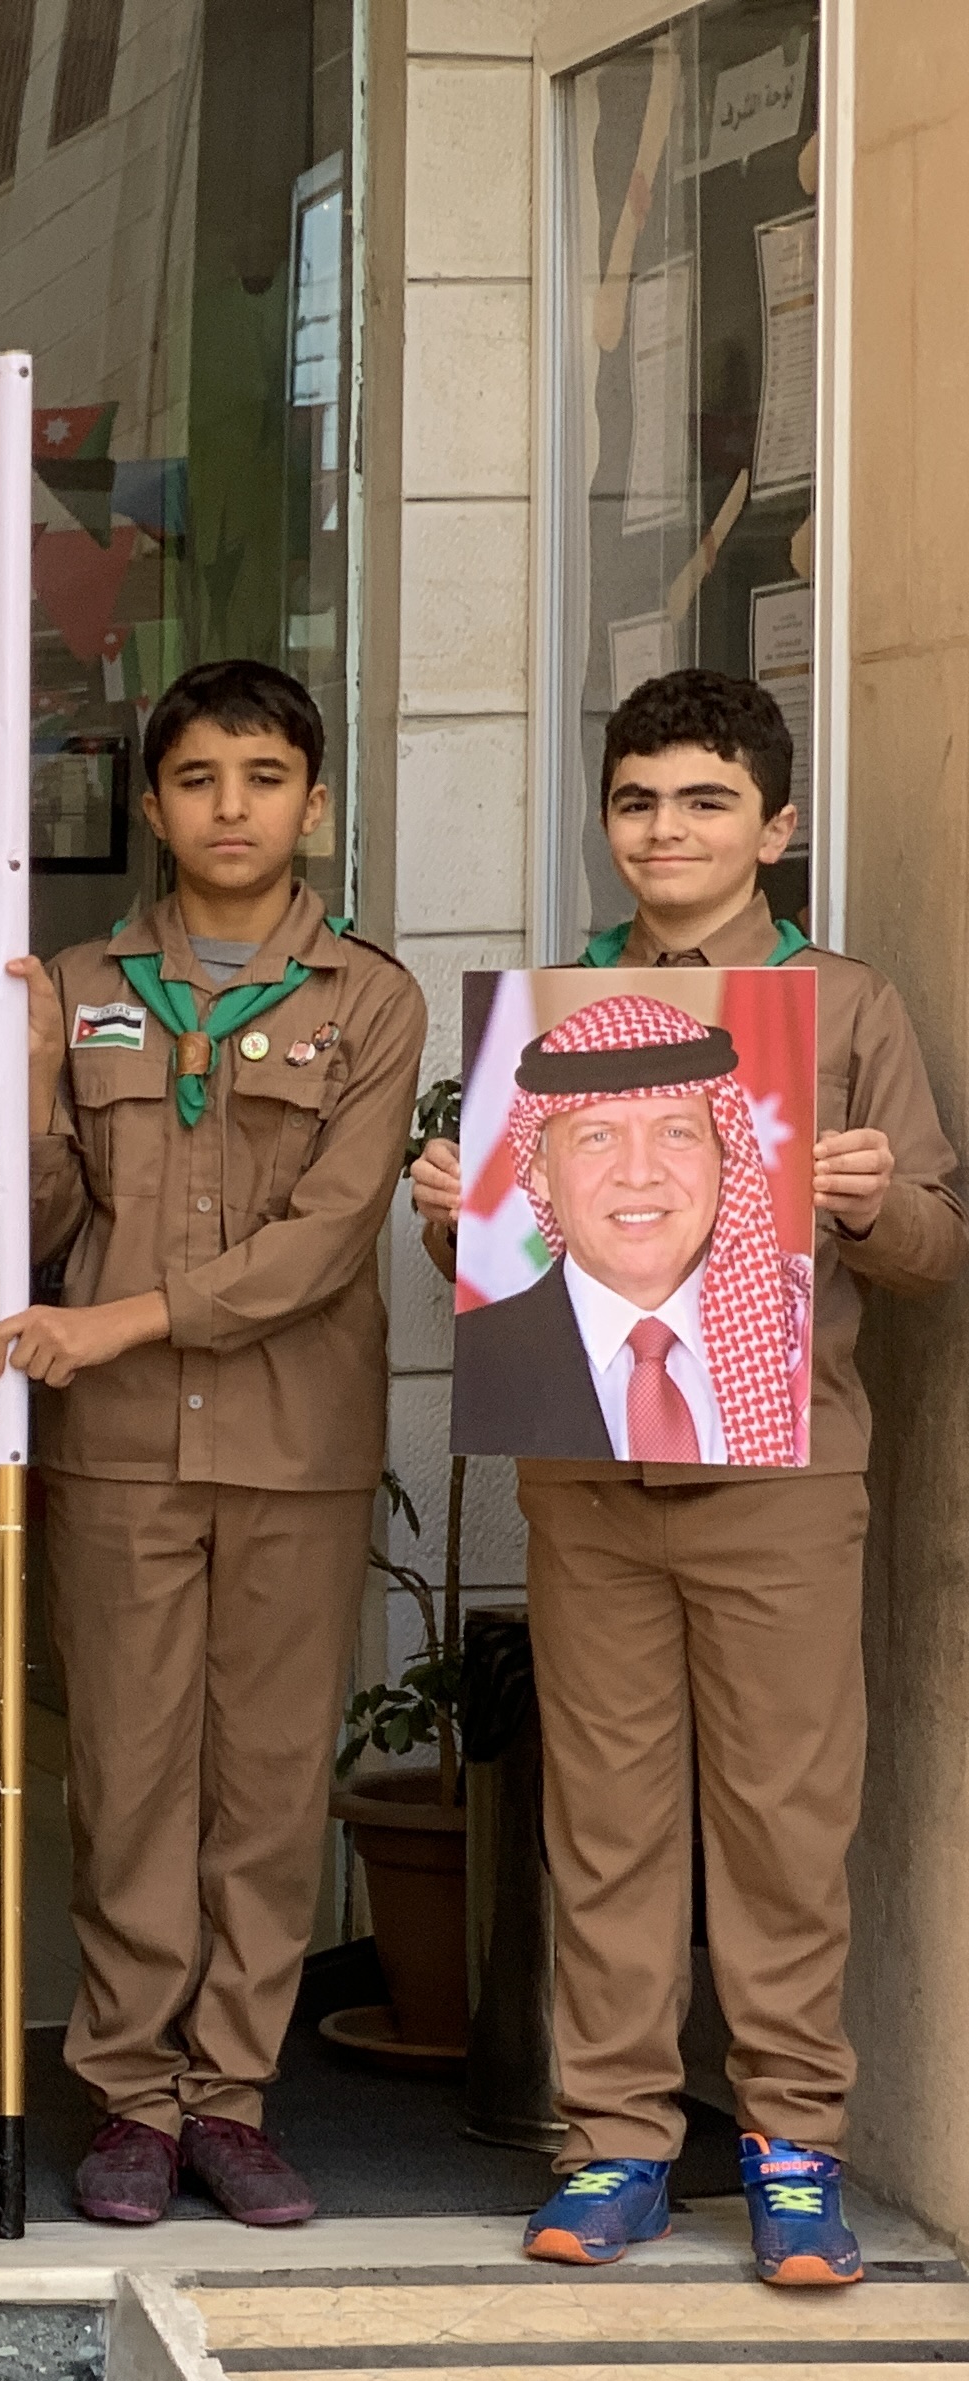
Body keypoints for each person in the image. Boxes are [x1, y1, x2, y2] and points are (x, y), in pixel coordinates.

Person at [413, 669, 965, 2281]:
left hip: (779, 1480)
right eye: (640, 801)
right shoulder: (555, 1004)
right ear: (607, 821)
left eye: (707, 801)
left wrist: (868, 1199)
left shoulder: (841, 1009)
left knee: (787, 1818)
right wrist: (458, 1215)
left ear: (775, 827)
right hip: (589, 1480)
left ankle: (792, 2142)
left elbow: (935, 1244)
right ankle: (617, 2142)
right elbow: (513, 1252)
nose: (669, 830)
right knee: (606, 1819)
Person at [0, 658, 425, 2232]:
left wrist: (124, 1323)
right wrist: (36, 1091)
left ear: (315, 802)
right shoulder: (78, 981)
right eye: (196, 778)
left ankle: (232, 2097)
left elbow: (328, 1238)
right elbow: (41, 1225)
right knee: (126, 1779)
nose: (230, 807)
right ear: (152, 803)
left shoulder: (369, 998)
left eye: (263, 777)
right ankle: (130, 2095)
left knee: (267, 1785)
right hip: (117, 1453)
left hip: (295, 1446)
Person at [450, 994, 809, 1465]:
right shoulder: (482, 1360)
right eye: (598, 1137)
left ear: (725, 1154)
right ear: (538, 1170)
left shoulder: (800, 1330)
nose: (639, 1174)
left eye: (676, 1133)